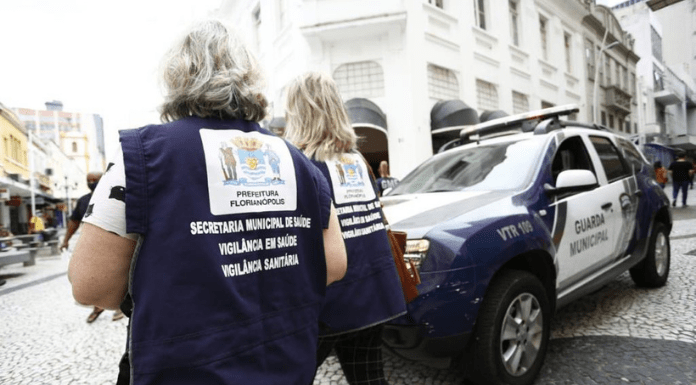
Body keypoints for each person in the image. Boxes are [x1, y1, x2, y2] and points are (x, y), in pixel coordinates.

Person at [67, 20, 347, 385]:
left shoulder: (141, 159)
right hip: (283, 361)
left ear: (176, 77)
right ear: (250, 78)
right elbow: (335, 265)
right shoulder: (298, 161)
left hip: (183, 366)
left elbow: (92, 287)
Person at [284, 72, 407, 385]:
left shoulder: (301, 166)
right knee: (368, 378)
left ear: (299, 112)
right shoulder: (355, 160)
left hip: (329, 301)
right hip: (374, 292)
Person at [60, 171, 124, 323]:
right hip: (94, 245)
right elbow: (74, 221)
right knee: (95, 277)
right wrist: (66, 240)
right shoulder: (83, 201)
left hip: (116, 244)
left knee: (118, 275)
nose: (92, 182)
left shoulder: (116, 193)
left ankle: (118, 306)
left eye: (95, 179)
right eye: (89, 180)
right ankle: (99, 306)